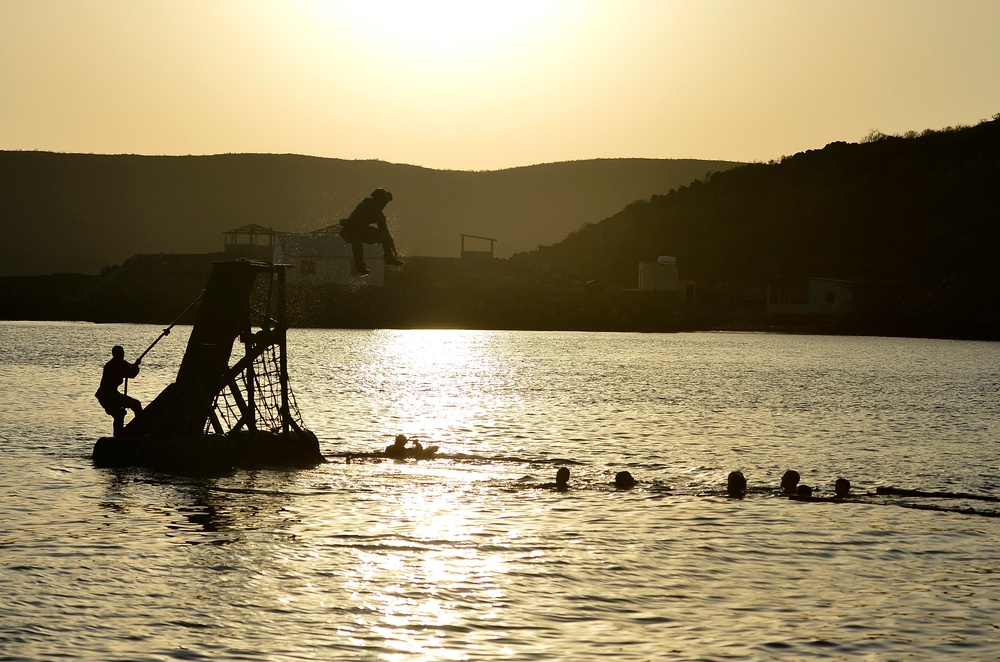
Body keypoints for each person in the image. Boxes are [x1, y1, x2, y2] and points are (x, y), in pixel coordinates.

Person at [339, 188, 403, 276]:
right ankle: (360, 268)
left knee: (384, 236)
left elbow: (385, 231)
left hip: (362, 231)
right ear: (377, 199)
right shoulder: (366, 205)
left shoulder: (378, 213)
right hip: (349, 230)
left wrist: (392, 248)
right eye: (383, 201)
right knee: (356, 240)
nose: (384, 204)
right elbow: (356, 223)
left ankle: (388, 257)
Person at [95, 345, 142, 437]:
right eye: (120, 354)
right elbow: (125, 373)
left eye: (123, 353)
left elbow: (132, 374)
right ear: (114, 355)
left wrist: (136, 366)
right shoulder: (110, 366)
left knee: (136, 404)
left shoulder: (122, 363)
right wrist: (132, 368)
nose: (122, 355)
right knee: (119, 414)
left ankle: (140, 429)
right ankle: (117, 436)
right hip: (106, 397)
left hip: (115, 395)